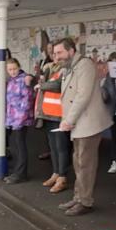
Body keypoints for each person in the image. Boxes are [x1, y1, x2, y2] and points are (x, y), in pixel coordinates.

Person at [54, 37, 112, 216]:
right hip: (79, 122)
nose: (56, 57)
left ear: (71, 51)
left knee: (85, 163)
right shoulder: (71, 66)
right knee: (78, 161)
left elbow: (82, 96)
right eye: (55, 53)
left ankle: (85, 201)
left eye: (59, 52)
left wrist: (69, 120)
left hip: (87, 122)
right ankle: (78, 197)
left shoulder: (85, 65)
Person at [40, 60, 70, 193]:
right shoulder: (50, 73)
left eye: (58, 55)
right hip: (48, 115)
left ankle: (62, 177)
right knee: (53, 147)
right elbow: (45, 83)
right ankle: (55, 173)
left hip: (59, 116)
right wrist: (45, 73)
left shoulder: (65, 71)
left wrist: (42, 85)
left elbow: (57, 86)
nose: (55, 59)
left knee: (61, 147)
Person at [4, 58, 34, 184]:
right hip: (12, 118)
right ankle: (17, 171)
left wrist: (20, 120)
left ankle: (21, 173)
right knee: (15, 146)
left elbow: (27, 101)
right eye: (10, 69)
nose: (12, 71)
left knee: (20, 146)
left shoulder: (24, 80)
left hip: (21, 119)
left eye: (14, 68)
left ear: (19, 67)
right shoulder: (11, 81)